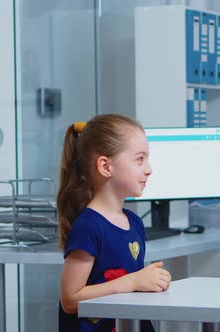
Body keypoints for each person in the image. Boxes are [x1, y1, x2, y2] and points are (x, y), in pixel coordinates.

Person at [57, 114, 171, 332]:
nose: (149, 169)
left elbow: (129, 286)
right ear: (105, 166)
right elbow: (70, 300)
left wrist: (148, 282)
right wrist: (133, 282)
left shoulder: (134, 223)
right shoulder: (89, 227)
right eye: (139, 159)